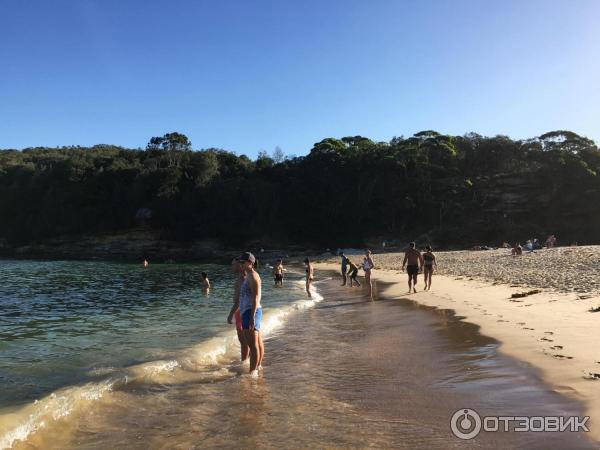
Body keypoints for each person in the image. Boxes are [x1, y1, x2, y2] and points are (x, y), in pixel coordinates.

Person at [239, 252, 264, 376]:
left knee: (252, 345)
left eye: (243, 262)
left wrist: (252, 316)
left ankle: (252, 372)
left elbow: (256, 297)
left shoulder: (253, 276)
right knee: (256, 343)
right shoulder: (248, 275)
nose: (241, 264)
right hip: (248, 311)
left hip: (251, 311)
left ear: (250, 262)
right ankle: (257, 367)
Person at [227, 259, 249, 362]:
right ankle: (246, 361)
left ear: (240, 266)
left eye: (233, 265)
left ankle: (244, 362)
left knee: (243, 340)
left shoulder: (243, 279)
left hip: (241, 310)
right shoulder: (242, 278)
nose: (231, 267)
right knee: (244, 340)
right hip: (241, 310)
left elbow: (239, 300)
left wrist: (230, 314)